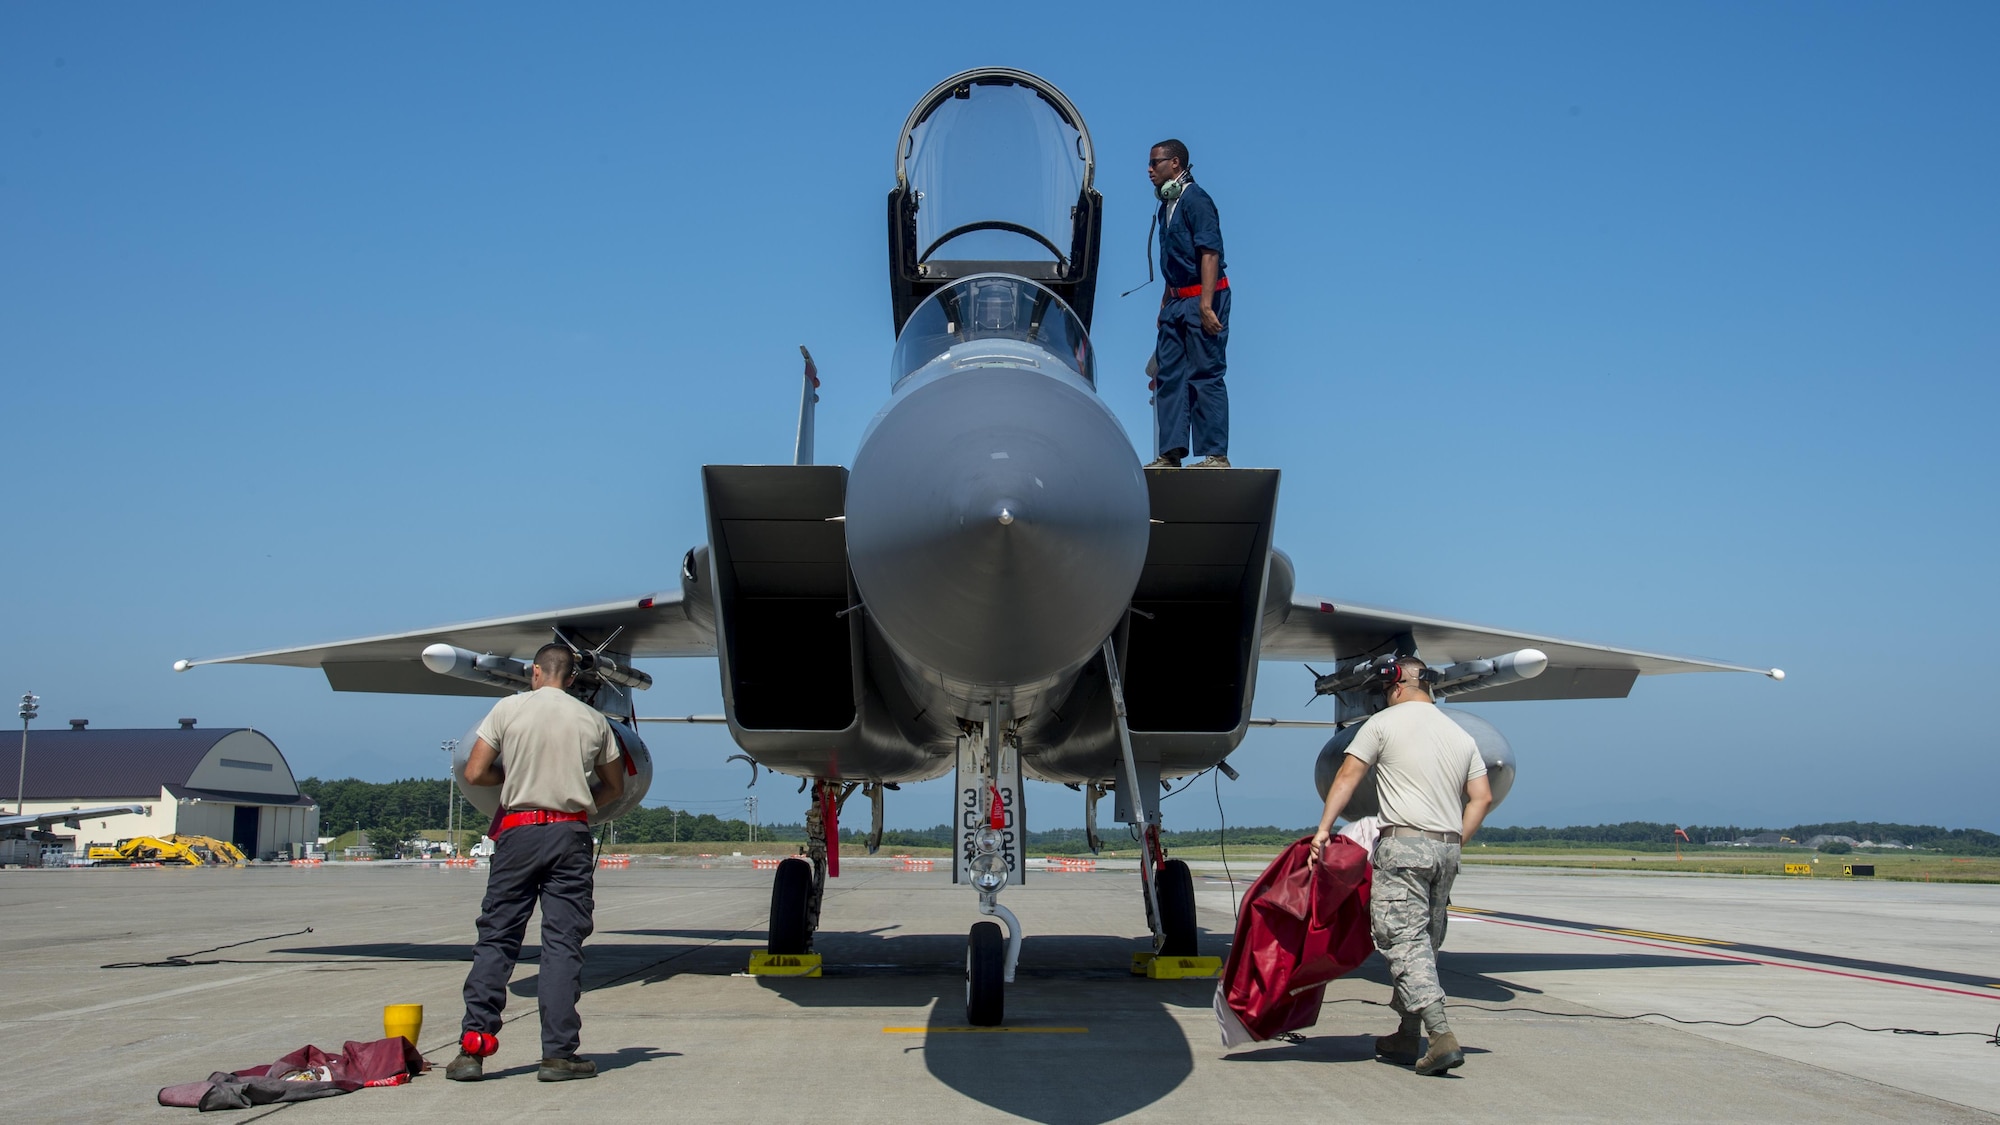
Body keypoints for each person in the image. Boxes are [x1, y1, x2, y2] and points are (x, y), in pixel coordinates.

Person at [445, 642, 624, 1084]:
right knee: (562, 945)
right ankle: (559, 1055)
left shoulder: (509, 709)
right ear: (569, 677)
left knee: (498, 939)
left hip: (518, 832)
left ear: (537, 673)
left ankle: (473, 1050)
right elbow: (614, 785)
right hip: (570, 835)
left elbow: (474, 772)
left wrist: (512, 774)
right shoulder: (593, 720)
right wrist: (583, 809)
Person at [1310, 657, 1494, 1076]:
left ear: (1395, 685)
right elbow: (1480, 797)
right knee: (1424, 942)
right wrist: (1453, 841)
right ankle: (1407, 1035)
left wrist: (1323, 830)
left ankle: (1440, 1035)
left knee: (1402, 940)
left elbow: (1347, 776)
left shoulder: (1383, 724)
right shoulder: (1460, 732)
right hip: (1446, 850)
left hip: (1404, 846)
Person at [1145, 138, 1231, 469]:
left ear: (1176, 164)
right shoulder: (1166, 204)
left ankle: (1215, 455)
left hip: (1204, 298)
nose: (1150, 170)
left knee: (1205, 373)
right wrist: (1166, 302)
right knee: (1169, 375)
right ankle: (1171, 453)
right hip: (1177, 302)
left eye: (1156, 163)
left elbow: (1209, 253)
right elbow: (1174, 258)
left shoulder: (1197, 201)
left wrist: (1207, 306)